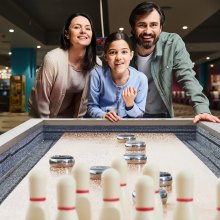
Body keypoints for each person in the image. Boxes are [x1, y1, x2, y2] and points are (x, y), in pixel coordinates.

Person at [129, 2, 220, 123]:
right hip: (129, 114)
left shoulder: (172, 43)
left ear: (161, 27)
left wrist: (202, 109)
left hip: (161, 114)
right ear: (133, 28)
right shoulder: (124, 47)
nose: (148, 31)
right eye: (142, 25)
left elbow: (187, 76)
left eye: (154, 25)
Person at [28, 13, 100, 118]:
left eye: (88, 28)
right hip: (41, 113)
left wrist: (77, 122)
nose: (83, 31)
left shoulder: (96, 63)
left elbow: (86, 100)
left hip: (69, 115)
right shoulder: (52, 59)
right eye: (77, 27)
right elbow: (42, 98)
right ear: (67, 34)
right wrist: (48, 125)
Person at [88, 31, 148, 122]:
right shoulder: (96, 75)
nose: (119, 57)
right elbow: (91, 106)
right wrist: (103, 115)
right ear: (105, 56)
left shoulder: (141, 79)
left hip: (129, 128)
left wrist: (130, 104)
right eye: (113, 52)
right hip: (103, 126)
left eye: (124, 52)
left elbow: (139, 114)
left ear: (131, 55)